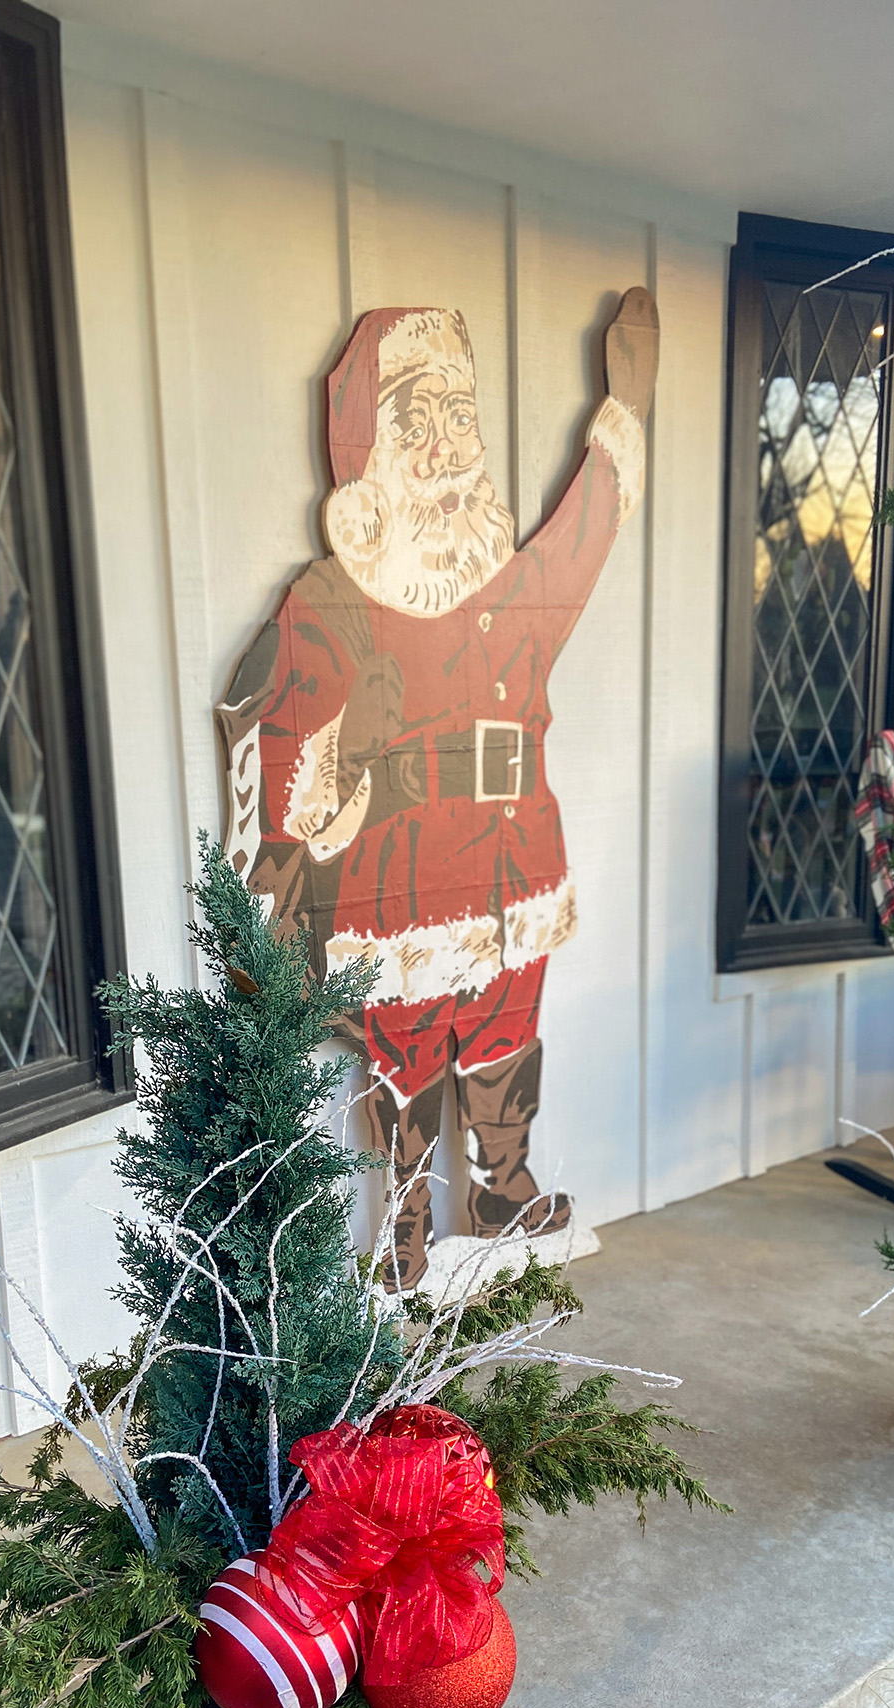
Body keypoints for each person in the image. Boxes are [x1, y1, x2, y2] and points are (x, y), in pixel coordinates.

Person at [217, 290, 659, 1287]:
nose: (450, 444)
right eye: (421, 423)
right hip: (402, 881)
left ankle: (503, 1185)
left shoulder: (509, 588)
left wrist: (624, 409)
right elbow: (288, 767)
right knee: (406, 1048)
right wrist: (360, 748)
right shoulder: (330, 605)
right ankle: (405, 1218)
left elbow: (578, 541)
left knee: (508, 1023)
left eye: (462, 419)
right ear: (373, 452)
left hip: (516, 866)